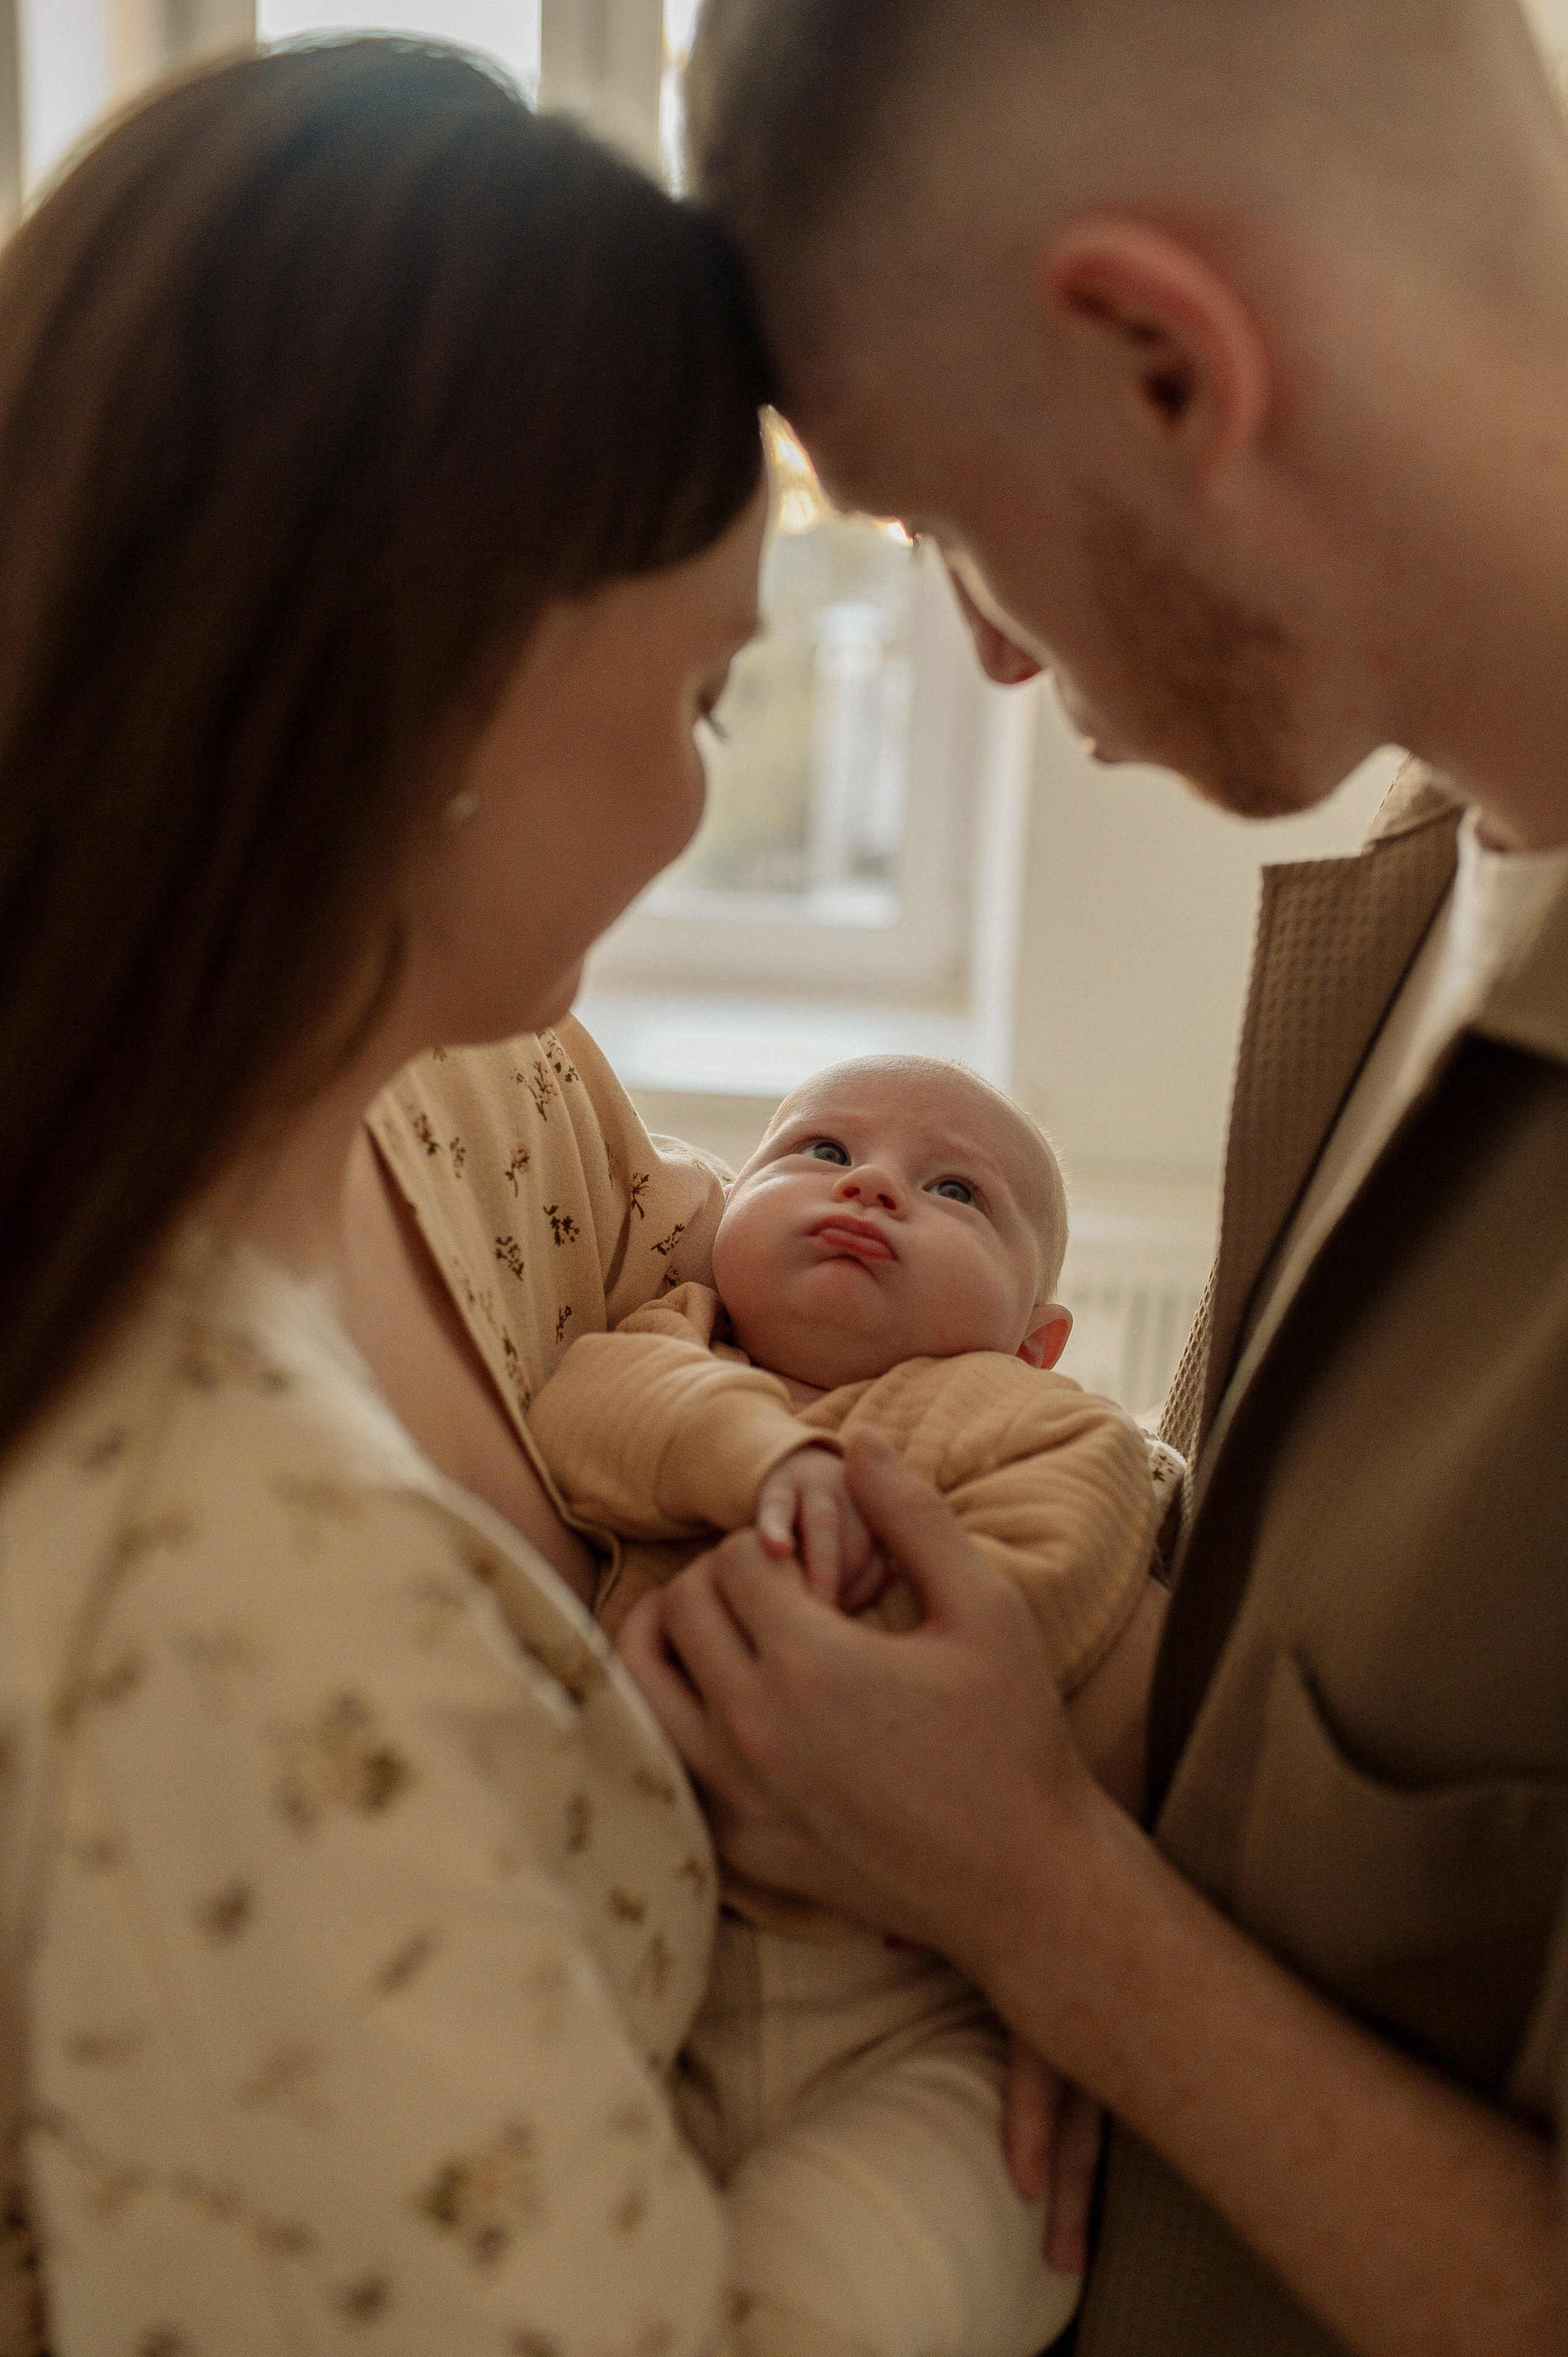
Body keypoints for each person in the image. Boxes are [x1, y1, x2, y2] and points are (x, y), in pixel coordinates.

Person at [603, 6, 1568, 2355]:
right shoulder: (1408, 905)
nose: (998, 651)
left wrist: (1036, 1893)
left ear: (1163, 358)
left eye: (942, 517)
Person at [0, 38, 774, 2349]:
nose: (698, 800)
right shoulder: (241, 1591)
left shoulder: (456, 1108)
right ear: (454, 681)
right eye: (710, 692)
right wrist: (922, 2178)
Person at [528, 1054, 1170, 2357]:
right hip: (656, 1986)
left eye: (953, 1191)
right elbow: (584, 1415)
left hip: (921, 2017)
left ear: (1034, 1337)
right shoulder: (673, 1347)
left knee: (859, 2282)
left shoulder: (1040, 1424)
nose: (872, 1185)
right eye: (817, 1152)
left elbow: (1045, 1599)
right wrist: (767, 1455)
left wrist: (840, 1636)